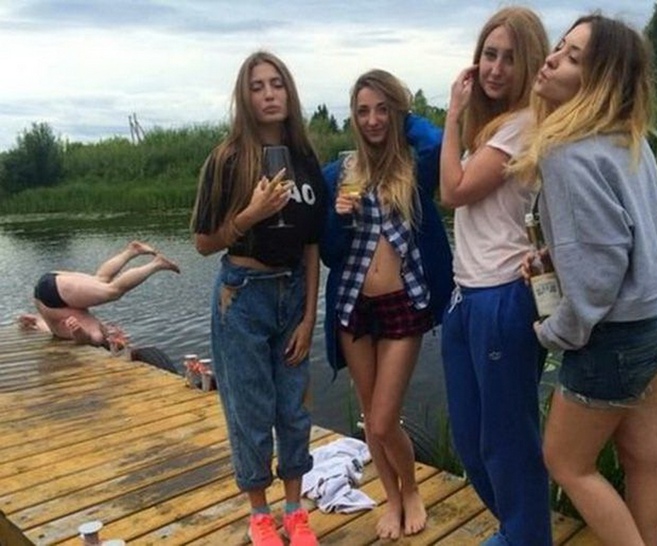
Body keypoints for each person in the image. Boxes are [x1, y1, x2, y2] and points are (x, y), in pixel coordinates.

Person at [510, 14, 657, 545]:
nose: (551, 59)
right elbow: (630, 236)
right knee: (644, 460)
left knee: (566, 462)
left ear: (602, 78)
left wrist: (554, 332)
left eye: (573, 57)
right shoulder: (627, 137)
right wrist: (559, 257)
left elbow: (598, 279)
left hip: (616, 336)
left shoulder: (566, 152)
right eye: (560, 47)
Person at [191, 51, 325, 546]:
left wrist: (309, 318)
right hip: (242, 296)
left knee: (293, 409)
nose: (269, 94)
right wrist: (251, 214)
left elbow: (312, 246)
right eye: (257, 87)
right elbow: (203, 242)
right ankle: (260, 515)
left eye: (276, 84)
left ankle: (295, 510)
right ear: (244, 98)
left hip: (292, 295)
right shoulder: (228, 159)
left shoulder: (305, 159)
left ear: (289, 92)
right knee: (249, 411)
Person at [320, 69, 452, 540]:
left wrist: (405, 118)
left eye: (382, 110)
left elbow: (440, 143)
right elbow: (330, 253)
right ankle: (392, 499)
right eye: (363, 111)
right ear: (353, 118)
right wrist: (338, 219)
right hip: (353, 307)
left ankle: (411, 489)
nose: (373, 120)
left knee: (381, 418)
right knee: (370, 416)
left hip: (404, 304)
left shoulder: (414, 169)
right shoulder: (339, 174)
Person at [438, 7, 552, 546]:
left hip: (504, 294)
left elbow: (454, 190)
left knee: (508, 437)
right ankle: (518, 529)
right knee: (470, 438)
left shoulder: (525, 123)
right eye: (489, 54)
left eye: (510, 58)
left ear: (530, 64)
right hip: (467, 294)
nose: (496, 68)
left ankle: (526, 534)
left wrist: (451, 115)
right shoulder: (497, 126)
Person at [18, 240, 179, 349]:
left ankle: (156, 264)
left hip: (52, 293)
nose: (117, 331)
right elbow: (45, 325)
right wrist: (34, 320)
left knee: (112, 292)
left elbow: (86, 340)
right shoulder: (55, 328)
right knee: (100, 280)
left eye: (117, 337)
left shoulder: (98, 336)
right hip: (47, 292)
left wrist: (78, 331)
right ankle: (133, 251)